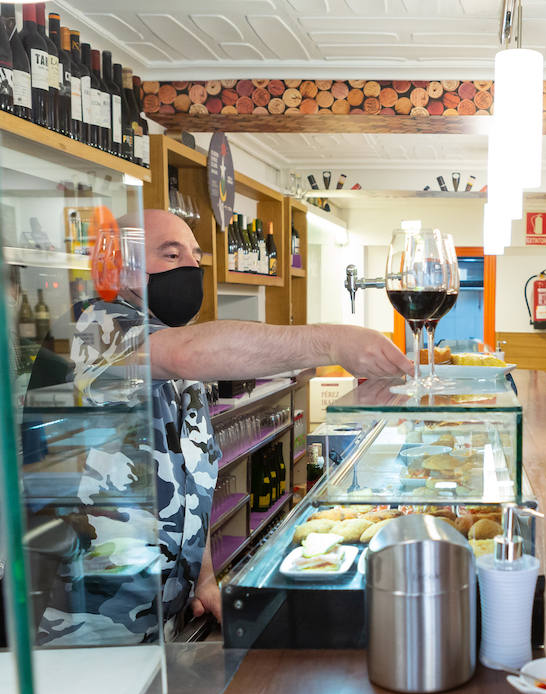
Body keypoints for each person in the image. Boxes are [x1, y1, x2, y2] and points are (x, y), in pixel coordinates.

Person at [32, 209, 410, 644]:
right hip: (89, 624)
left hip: (165, 616)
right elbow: (189, 351)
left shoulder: (170, 346)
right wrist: (331, 342)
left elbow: (191, 487)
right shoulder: (90, 327)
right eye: (171, 255)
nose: (190, 269)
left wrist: (204, 579)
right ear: (120, 266)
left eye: (196, 257)